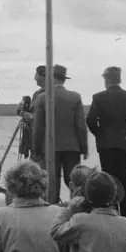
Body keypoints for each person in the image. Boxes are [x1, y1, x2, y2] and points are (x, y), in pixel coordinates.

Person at [86, 65, 126, 219]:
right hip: (125, 144)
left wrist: (100, 134)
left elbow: (91, 120)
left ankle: (110, 213)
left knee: (108, 179)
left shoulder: (98, 97)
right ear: (119, 79)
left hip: (105, 145)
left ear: (106, 80)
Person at [52, 172, 126, 252]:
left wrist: (69, 210)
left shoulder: (80, 221)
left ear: (86, 198)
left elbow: (55, 231)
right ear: (114, 196)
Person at [32, 64, 89, 198]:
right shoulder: (75, 97)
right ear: (63, 79)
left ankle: (53, 210)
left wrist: (36, 151)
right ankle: (77, 207)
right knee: (75, 182)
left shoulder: (42, 98)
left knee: (51, 182)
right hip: (72, 147)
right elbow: (81, 125)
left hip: (49, 147)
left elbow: (38, 128)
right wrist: (84, 148)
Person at [15, 95, 34, 160]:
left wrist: (23, 113)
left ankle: (28, 160)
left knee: (29, 144)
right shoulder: (26, 104)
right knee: (27, 142)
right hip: (27, 125)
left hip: (30, 126)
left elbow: (19, 112)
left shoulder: (29, 105)